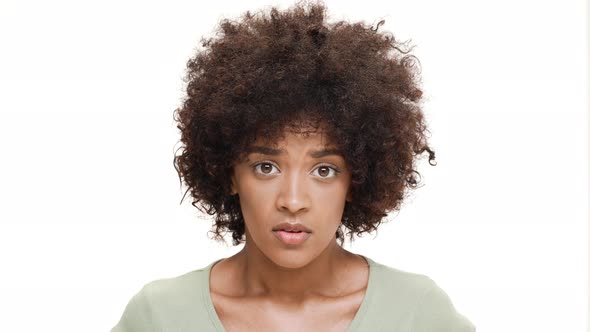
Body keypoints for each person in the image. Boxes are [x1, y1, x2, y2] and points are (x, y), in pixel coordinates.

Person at [111, 2, 475, 331]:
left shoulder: (417, 314)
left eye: (324, 170)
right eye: (266, 167)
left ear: (356, 180)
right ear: (229, 172)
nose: (293, 200)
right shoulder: (159, 316)